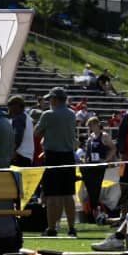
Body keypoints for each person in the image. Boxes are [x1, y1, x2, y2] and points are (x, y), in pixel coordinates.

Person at [37, 87, 79, 238]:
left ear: (55, 100)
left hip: (53, 156)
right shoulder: (72, 114)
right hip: (68, 156)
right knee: (68, 194)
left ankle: (51, 228)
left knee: (52, 195)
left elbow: (37, 132)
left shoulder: (47, 115)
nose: (49, 102)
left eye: (50, 99)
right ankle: (72, 227)